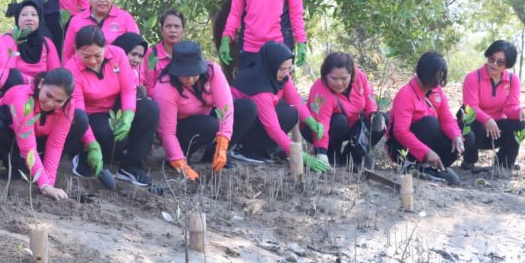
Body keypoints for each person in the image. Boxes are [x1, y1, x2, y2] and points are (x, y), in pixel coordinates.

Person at [65, 25, 159, 187]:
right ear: (76, 50)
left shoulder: (118, 54)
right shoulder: (71, 69)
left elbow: (128, 89)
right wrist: (91, 144)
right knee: (108, 135)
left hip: (115, 108)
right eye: (86, 56)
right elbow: (78, 110)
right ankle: (84, 155)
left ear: (105, 48)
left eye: (97, 55)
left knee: (151, 109)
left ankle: (132, 167)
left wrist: (129, 114)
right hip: (90, 115)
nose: (93, 61)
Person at [0, 68, 90, 201]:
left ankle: (34, 170)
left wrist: (49, 183)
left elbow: (55, 144)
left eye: (59, 101)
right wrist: (44, 185)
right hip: (7, 137)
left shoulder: (68, 105)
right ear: (41, 83)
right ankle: (17, 165)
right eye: (48, 95)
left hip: (37, 139)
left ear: (67, 99)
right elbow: (27, 146)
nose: (50, 103)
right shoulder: (23, 99)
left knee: (80, 119)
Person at [153, 41, 257, 181]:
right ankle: (181, 157)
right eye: (184, 74)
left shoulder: (212, 71)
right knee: (209, 125)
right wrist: (179, 163)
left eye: (194, 73)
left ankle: (214, 155)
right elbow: (167, 132)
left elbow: (225, 108)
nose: (190, 79)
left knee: (247, 108)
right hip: (181, 130)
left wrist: (222, 144)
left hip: (207, 117)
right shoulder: (165, 86)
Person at [230, 41, 328, 171]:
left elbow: (295, 100)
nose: (285, 73)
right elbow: (272, 128)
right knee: (277, 115)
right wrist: (299, 155)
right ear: (271, 65)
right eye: (282, 69)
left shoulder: (280, 77)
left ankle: (264, 149)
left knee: (290, 113)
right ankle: (245, 150)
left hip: (257, 120)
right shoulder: (260, 88)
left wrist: (311, 121)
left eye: (289, 68)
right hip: (237, 127)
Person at [386, 51, 463, 185]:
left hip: (429, 144)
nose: (438, 80)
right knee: (430, 123)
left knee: (466, 137)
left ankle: (431, 168)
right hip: (401, 147)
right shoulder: (405, 94)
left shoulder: (438, 91)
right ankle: (412, 165)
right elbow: (400, 132)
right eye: (436, 76)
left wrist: (456, 136)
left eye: (440, 76)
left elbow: (447, 119)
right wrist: (426, 152)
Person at [303, 52, 388, 168]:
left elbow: (369, 99)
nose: (339, 83)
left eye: (344, 78)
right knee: (339, 121)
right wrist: (321, 153)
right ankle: (332, 154)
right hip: (322, 128)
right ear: (325, 75)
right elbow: (320, 125)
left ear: (351, 74)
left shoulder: (360, 77)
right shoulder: (320, 90)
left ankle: (354, 154)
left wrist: (374, 115)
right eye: (334, 78)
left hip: (351, 125)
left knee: (383, 119)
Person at [460, 40, 525, 176]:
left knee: (521, 123)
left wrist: (521, 111)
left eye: (500, 62)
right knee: (467, 119)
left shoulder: (513, 79)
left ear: (507, 64)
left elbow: (511, 107)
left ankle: (504, 163)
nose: (494, 64)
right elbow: (471, 107)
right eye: (491, 59)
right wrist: (487, 120)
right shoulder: (473, 77)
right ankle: (469, 161)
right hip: (477, 129)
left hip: (498, 131)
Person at [62, 0, 139, 62]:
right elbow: (67, 55)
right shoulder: (76, 20)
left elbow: (138, 51)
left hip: (117, 71)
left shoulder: (125, 18)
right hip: (83, 72)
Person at [4, 0, 60, 85]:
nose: (29, 18)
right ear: (17, 18)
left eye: (34, 15)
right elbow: (9, 74)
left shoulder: (46, 43)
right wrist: (33, 81)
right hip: (16, 90)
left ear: (39, 19)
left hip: (42, 93)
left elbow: (55, 75)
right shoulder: (10, 39)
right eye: (24, 15)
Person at [143, 8, 186, 95]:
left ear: (183, 31)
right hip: (159, 101)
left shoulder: (190, 55)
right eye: (168, 26)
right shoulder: (151, 54)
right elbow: (149, 88)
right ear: (162, 30)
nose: (173, 30)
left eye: (177, 26)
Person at [113, 32, 148, 98]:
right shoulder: (109, 70)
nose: (136, 60)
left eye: (140, 56)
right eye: (133, 54)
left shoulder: (134, 73)